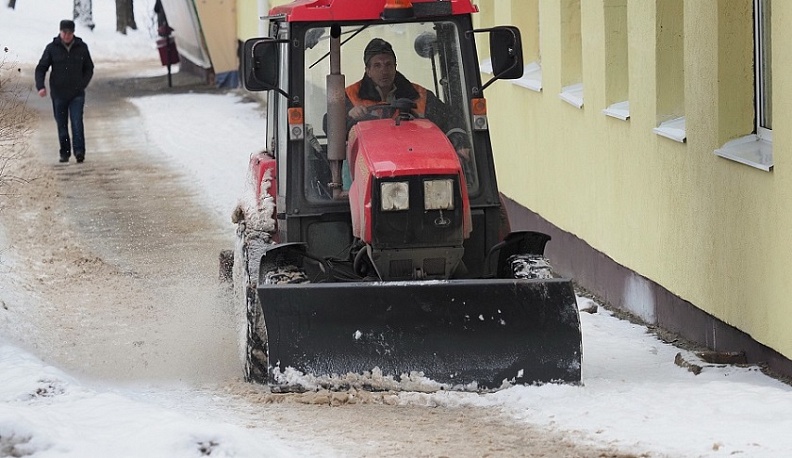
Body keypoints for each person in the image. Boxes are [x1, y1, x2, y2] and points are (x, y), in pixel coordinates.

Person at [345, 38, 471, 163]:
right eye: (377, 65)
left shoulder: (419, 95)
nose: (384, 71)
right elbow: (334, 129)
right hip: (366, 161)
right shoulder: (350, 96)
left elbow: (449, 119)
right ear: (368, 71)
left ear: (395, 67)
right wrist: (348, 116)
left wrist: (460, 143)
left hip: (413, 159)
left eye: (388, 64)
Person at [35, 19, 94, 163]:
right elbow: (41, 68)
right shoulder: (52, 48)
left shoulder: (81, 47)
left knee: (77, 122)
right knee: (62, 125)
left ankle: (79, 152)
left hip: (77, 94)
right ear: (60, 32)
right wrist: (40, 86)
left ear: (73, 33)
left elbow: (89, 68)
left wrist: (82, 84)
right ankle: (65, 152)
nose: (67, 35)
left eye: (69, 33)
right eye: (64, 32)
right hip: (58, 94)